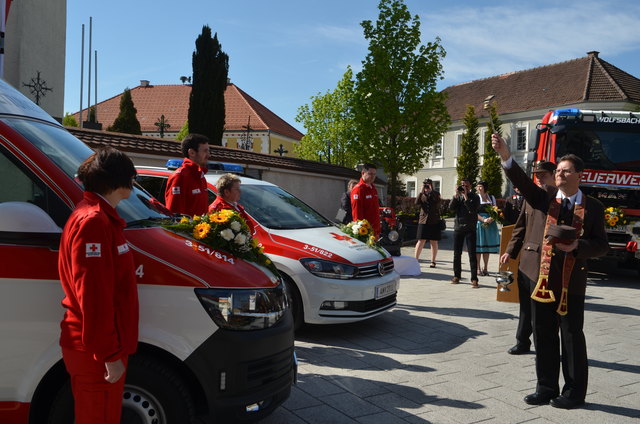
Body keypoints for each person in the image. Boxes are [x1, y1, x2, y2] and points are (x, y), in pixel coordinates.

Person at [492, 133, 608, 409]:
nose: (559, 175)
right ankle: (545, 387)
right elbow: (520, 181)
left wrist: (578, 246)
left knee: (571, 336)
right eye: (557, 171)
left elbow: (602, 245)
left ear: (580, 175)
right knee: (543, 334)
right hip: (540, 279)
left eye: (566, 171)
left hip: (571, 282)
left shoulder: (592, 207)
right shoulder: (544, 198)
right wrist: (506, 156)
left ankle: (574, 392)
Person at [58, 147, 139, 424]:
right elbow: (93, 295)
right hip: (96, 351)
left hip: (99, 347)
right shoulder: (94, 222)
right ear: (121, 180)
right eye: (132, 175)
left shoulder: (101, 218)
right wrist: (109, 354)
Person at [500, 161, 556, 356]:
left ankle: (544, 346)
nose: (539, 178)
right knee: (525, 306)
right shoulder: (530, 198)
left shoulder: (553, 197)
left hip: (545, 262)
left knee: (538, 308)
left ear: (553, 175)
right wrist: (510, 250)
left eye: (543, 175)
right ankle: (522, 341)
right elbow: (520, 227)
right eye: (537, 175)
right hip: (526, 259)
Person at [165, 133, 210, 216]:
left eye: (208, 151)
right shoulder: (180, 176)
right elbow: (174, 214)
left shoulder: (200, 176)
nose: (208, 155)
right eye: (205, 151)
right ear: (192, 152)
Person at [449, 178, 480, 287]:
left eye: (466, 186)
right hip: (458, 228)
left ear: (470, 186)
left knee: (472, 254)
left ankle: (474, 278)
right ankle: (457, 276)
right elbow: (451, 208)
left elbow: (472, 209)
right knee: (457, 254)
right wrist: (455, 195)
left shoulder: (475, 197)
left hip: (470, 229)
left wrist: (466, 196)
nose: (464, 187)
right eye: (462, 185)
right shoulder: (458, 197)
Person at [414, 178, 442, 267]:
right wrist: (421, 192)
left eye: (428, 184)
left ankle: (433, 261)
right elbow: (416, 203)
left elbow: (437, 203)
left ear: (431, 185)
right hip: (423, 221)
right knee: (421, 240)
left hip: (434, 221)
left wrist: (432, 191)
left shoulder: (436, 194)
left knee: (433, 242)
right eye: (425, 184)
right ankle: (415, 260)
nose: (426, 186)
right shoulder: (421, 195)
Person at [475, 181, 500, 276]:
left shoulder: (491, 197)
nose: (478, 188)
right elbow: (473, 212)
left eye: (480, 186)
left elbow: (495, 210)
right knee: (478, 248)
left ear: (485, 187)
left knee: (486, 248)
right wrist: (483, 220)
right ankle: (478, 268)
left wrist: (492, 218)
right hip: (479, 224)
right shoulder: (476, 197)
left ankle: (485, 268)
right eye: (477, 186)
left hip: (490, 224)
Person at [351, 163, 381, 236]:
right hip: (366, 232)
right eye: (370, 174)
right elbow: (357, 213)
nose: (373, 176)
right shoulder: (359, 189)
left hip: (375, 230)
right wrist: (361, 231)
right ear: (363, 173)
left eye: (374, 174)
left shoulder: (373, 188)